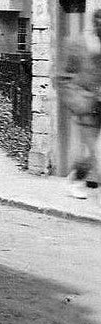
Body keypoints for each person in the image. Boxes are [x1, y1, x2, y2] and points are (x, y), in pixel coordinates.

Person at [58, 10, 101, 200]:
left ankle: (77, 176)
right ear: (95, 23)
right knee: (93, 150)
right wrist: (79, 102)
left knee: (93, 151)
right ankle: (75, 179)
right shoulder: (78, 44)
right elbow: (63, 78)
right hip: (87, 107)